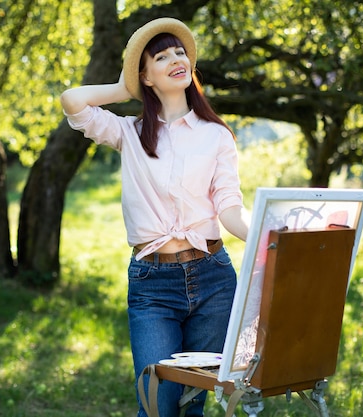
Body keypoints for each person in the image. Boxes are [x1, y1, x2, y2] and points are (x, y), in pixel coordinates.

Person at [60, 17, 249, 417]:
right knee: (157, 404)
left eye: (180, 52)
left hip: (214, 277)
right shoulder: (129, 132)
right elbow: (73, 102)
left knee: (192, 402)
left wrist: (265, 235)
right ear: (145, 77)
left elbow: (229, 207)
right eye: (161, 57)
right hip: (152, 284)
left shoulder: (216, 135)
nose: (176, 59)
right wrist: (123, 86)